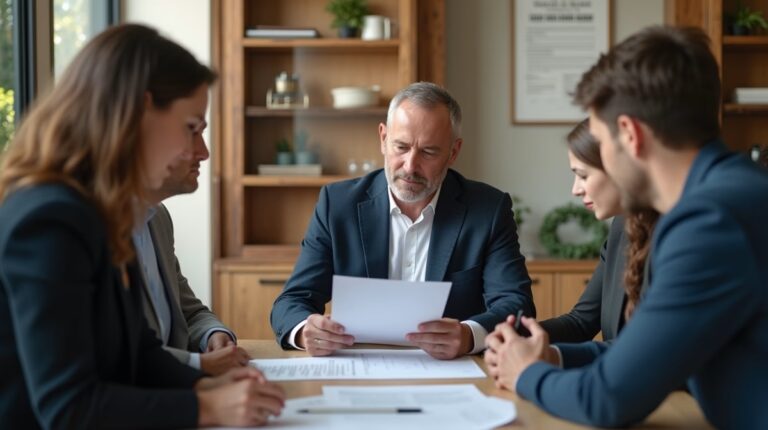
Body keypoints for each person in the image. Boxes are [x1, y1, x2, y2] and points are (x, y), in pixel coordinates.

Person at [0, 24, 284, 428]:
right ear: (140, 112)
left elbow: (141, 352)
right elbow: (68, 408)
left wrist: (207, 386)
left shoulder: (105, 212)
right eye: (191, 128)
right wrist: (209, 408)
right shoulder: (49, 220)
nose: (201, 151)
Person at [484, 26, 768, 428]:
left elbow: (607, 400)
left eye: (600, 141)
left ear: (631, 135)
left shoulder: (710, 222)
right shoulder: (736, 191)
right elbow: (649, 355)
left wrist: (526, 373)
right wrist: (550, 358)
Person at [271, 82, 534, 360]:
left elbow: (517, 305)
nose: (410, 166)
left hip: (452, 371)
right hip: (359, 365)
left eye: (429, 152)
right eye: (401, 147)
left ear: (453, 153)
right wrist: (304, 331)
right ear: (383, 138)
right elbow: (291, 302)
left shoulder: (487, 210)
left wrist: (469, 335)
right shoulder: (337, 204)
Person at [136, 116, 250, 376]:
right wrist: (200, 366)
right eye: (191, 132)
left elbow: (189, 311)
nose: (205, 153)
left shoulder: (157, 218)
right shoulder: (87, 228)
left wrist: (213, 334)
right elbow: (116, 354)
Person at [540, 119, 658, 343]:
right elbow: (581, 322)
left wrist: (550, 355)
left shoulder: (674, 237)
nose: (575, 190)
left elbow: (640, 348)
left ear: (620, 170)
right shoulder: (621, 227)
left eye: (583, 175)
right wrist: (517, 334)